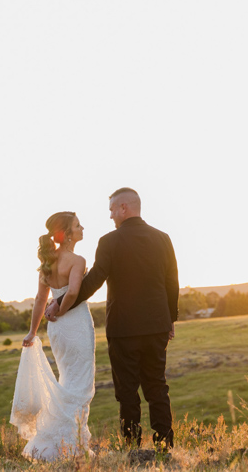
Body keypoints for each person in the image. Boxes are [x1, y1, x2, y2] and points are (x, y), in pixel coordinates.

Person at [46, 187, 178, 449]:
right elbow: (172, 283)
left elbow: (93, 280)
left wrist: (59, 303)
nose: (110, 217)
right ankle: (165, 446)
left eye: (111, 211)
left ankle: (131, 447)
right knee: (157, 387)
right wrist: (170, 319)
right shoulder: (163, 238)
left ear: (123, 209)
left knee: (127, 390)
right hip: (156, 327)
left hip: (123, 329)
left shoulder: (110, 241)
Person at [9, 211, 96, 461]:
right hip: (75, 323)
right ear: (67, 234)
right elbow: (72, 294)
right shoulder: (77, 260)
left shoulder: (48, 262)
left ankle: (59, 441)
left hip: (56, 328)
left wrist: (33, 331)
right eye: (78, 225)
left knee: (67, 380)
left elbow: (39, 299)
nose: (82, 228)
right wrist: (61, 309)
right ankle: (70, 445)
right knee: (80, 384)